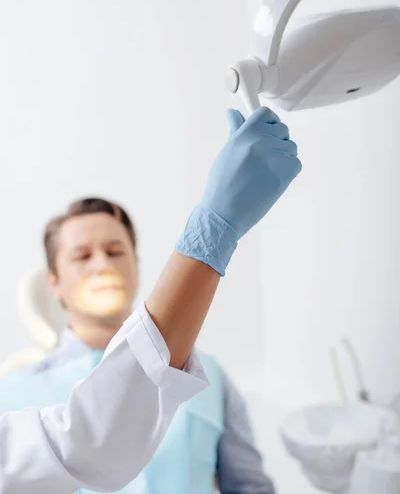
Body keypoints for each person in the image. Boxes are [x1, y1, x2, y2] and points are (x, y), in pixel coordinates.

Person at [0, 107, 301, 493]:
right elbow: (95, 443)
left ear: (137, 268)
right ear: (54, 283)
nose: (101, 266)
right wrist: (214, 227)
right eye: (82, 256)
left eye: (114, 251)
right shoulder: (12, 392)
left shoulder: (210, 377)